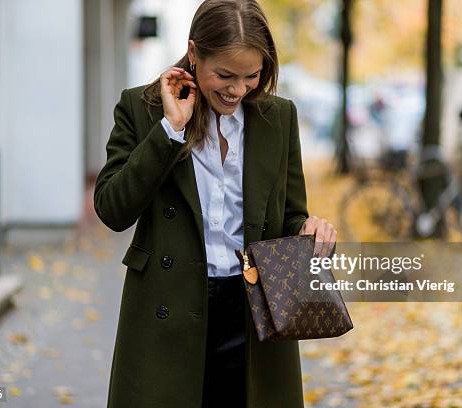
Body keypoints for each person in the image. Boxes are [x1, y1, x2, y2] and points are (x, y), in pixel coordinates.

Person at [93, 1, 337, 407]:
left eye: (251, 76)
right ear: (194, 53)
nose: (237, 90)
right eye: (224, 75)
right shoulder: (142, 108)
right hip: (168, 308)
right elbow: (112, 210)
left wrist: (308, 230)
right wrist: (170, 129)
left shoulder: (278, 117)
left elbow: (291, 212)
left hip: (255, 312)